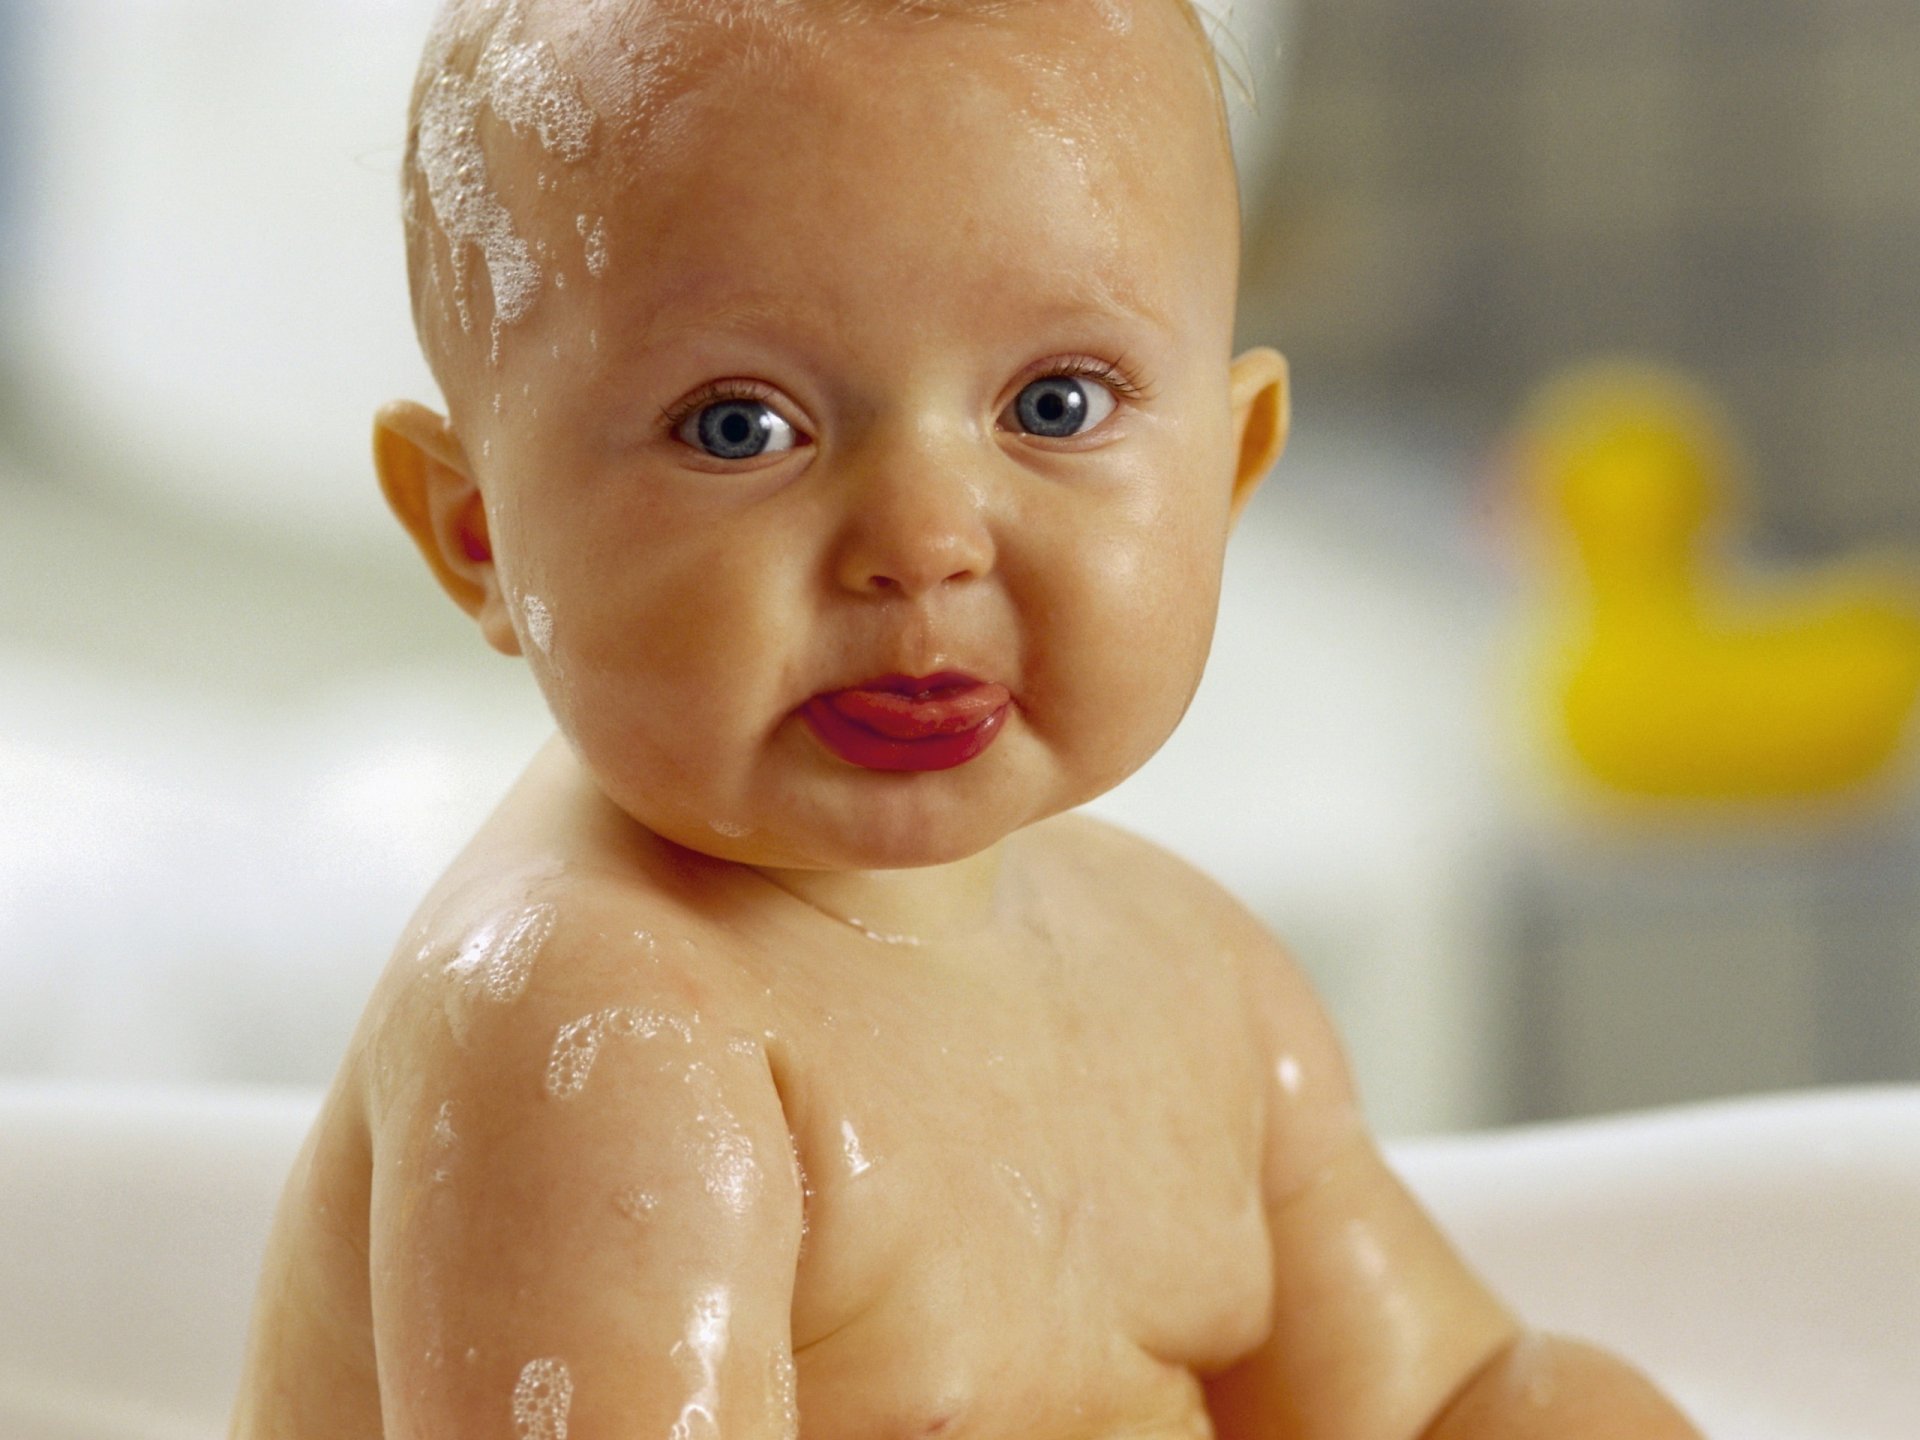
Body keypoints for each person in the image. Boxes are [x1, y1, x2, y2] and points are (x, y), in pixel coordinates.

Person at [232, 1, 1703, 1434]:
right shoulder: (597, 1034)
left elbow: (1429, 1402)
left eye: (1055, 405)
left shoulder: (1192, 980)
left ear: (1231, 471)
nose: (924, 537)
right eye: (741, 425)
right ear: (481, 535)